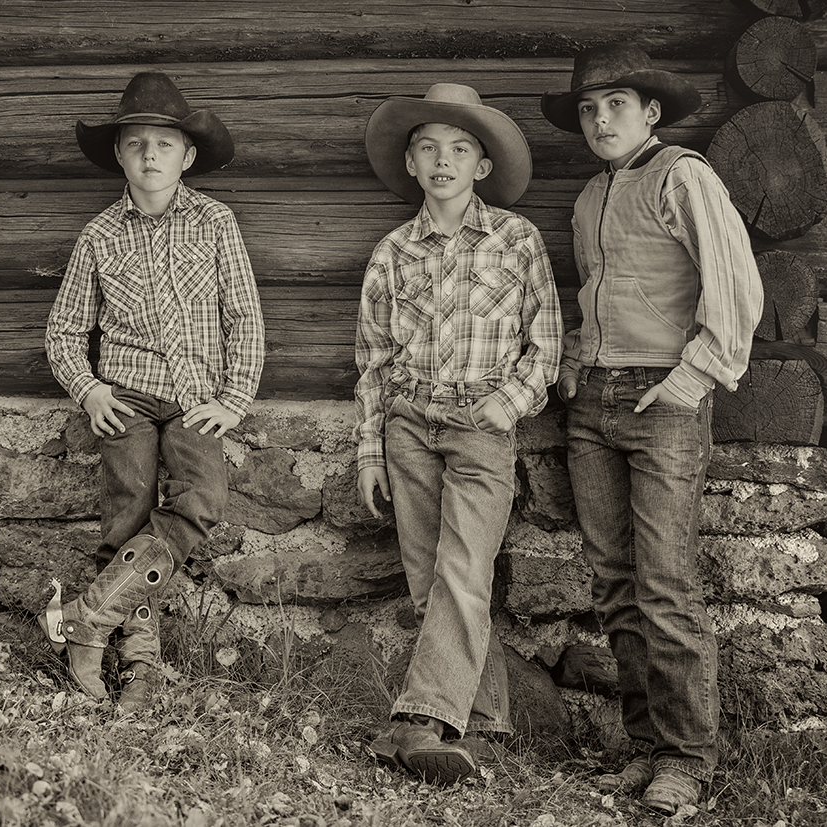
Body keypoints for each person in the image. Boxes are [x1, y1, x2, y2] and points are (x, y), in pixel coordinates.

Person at [541, 43, 763, 813]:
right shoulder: (586, 199)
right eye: (589, 109)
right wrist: (573, 365)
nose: (600, 119)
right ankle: (645, 745)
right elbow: (601, 295)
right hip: (595, 400)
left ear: (651, 113)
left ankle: (688, 756)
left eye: (616, 106)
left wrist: (694, 376)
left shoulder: (683, 175)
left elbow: (735, 281)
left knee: (666, 580)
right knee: (613, 581)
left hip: (663, 394)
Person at [354, 83, 563, 784]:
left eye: (460, 148)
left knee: (464, 570)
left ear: (481, 165)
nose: (443, 160)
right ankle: (488, 725)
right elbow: (373, 361)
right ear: (411, 164)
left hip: (481, 424)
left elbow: (547, 344)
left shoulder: (516, 239)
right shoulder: (391, 254)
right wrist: (370, 450)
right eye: (428, 148)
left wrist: (509, 404)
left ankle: (420, 723)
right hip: (409, 423)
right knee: (429, 583)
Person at [42, 71, 264, 711]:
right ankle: (140, 668)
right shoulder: (99, 236)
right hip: (128, 397)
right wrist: (88, 391)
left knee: (201, 499)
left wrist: (233, 399)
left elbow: (243, 317)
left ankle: (87, 619)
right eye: (136, 143)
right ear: (118, 153)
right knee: (129, 510)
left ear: (187, 155)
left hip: (198, 398)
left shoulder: (216, 223)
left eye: (164, 144)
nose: (149, 155)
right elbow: (63, 330)